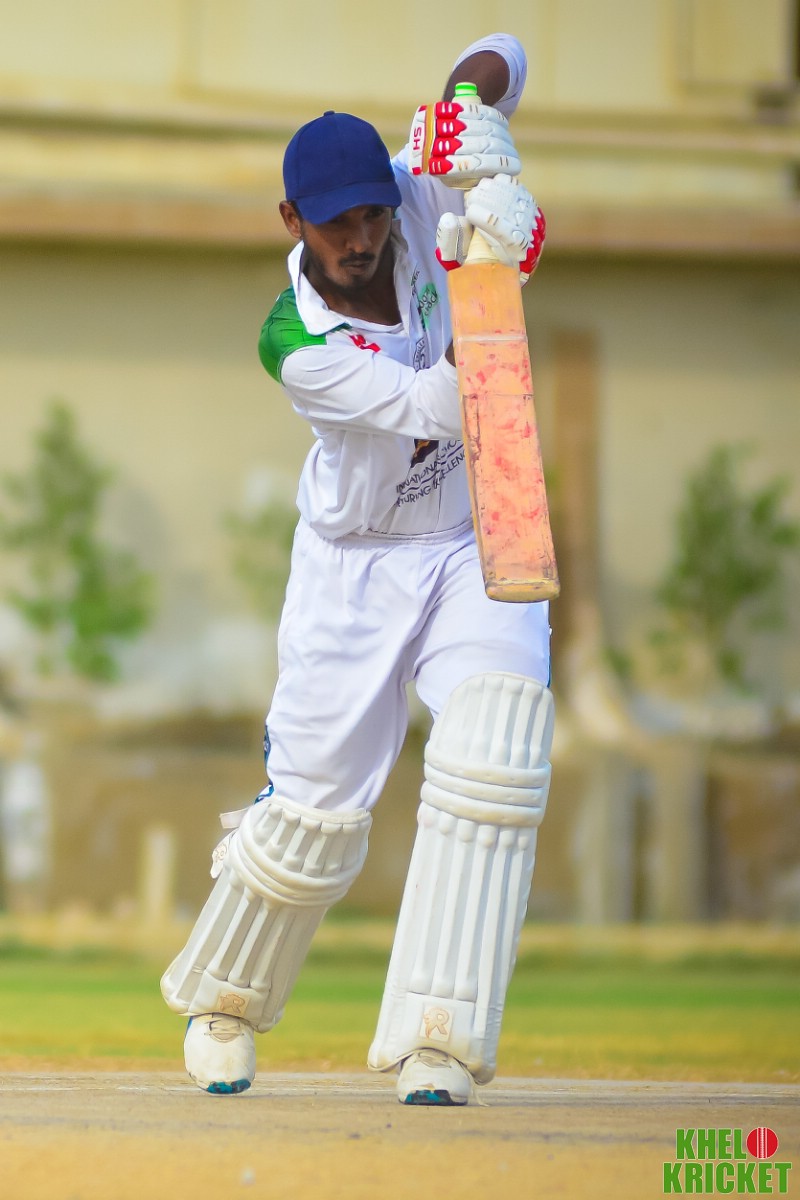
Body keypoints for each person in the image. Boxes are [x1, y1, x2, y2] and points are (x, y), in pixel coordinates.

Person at [161, 32, 555, 1107]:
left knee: (495, 750)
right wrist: (496, 267)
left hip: (470, 538)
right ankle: (226, 1001)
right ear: (292, 220)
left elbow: (500, 56)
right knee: (314, 817)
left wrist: (472, 128)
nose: (364, 237)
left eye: (375, 213)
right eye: (337, 221)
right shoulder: (296, 342)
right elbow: (449, 404)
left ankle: (438, 1039)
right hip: (356, 570)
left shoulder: (414, 191)